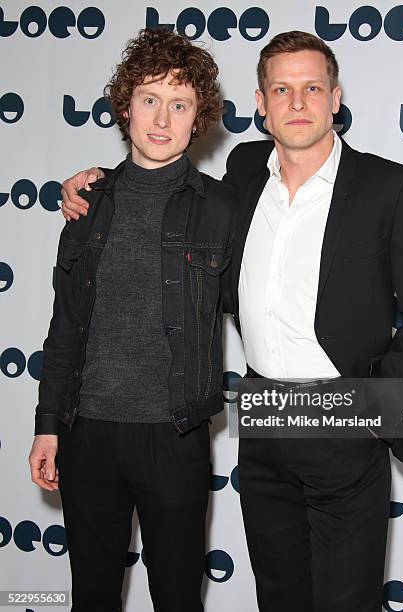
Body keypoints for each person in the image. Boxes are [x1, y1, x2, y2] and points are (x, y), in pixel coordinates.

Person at [60, 30, 403, 612]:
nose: (297, 103)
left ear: (336, 98)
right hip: (265, 417)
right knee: (279, 595)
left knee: (347, 600)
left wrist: (369, 406)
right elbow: (160, 190)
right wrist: (88, 183)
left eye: (312, 88)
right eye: (282, 90)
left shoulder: (387, 186)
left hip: (342, 418)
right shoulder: (244, 173)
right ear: (262, 104)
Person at [28, 28, 236, 612]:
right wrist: (48, 424)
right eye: (149, 98)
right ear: (125, 106)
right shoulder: (88, 203)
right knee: (91, 597)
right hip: (86, 431)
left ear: (200, 118)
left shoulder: (222, 207)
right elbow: (65, 326)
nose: (163, 118)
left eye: (180, 103)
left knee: (177, 598)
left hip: (175, 435)